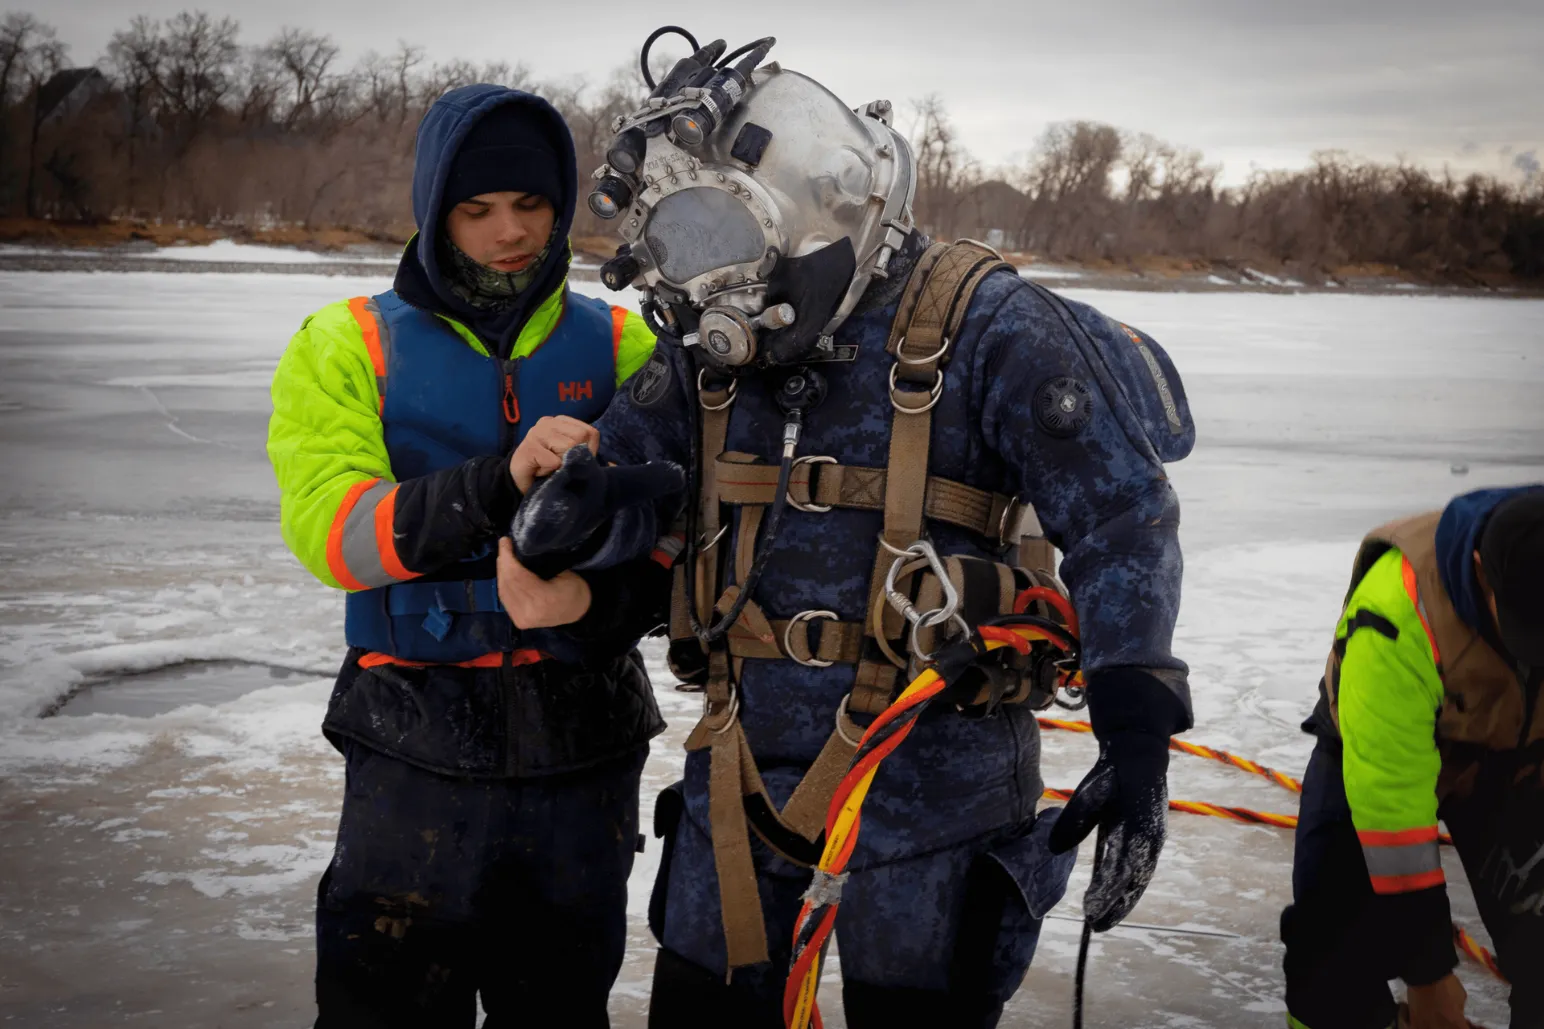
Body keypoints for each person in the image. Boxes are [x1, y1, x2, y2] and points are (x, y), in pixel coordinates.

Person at [506, 37, 1197, 1028]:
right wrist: (578, 522)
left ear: (821, 204)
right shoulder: (706, 338)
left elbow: (1120, 514)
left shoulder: (988, 324)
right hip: (739, 780)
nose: (723, 288)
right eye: (688, 244)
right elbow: (628, 481)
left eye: (729, 237)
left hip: (939, 793)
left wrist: (1136, 726)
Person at [267, 83, 669, 1028]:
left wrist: (594, 592)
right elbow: (333, 531)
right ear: (434, 208)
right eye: (476, 208)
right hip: (411, 747)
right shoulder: (346, 343)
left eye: (531, 204)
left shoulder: (626, 343)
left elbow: (683, 538)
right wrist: (498, 486)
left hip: (585, 752)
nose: (510, 232)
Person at [1282, 486, 1544, 1029]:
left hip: (1515, 757)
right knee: (1328, 961)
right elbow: (1392, 810)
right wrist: (1428, 976)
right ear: (1482, 572)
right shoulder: (1396, 613)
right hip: (1378, 752)